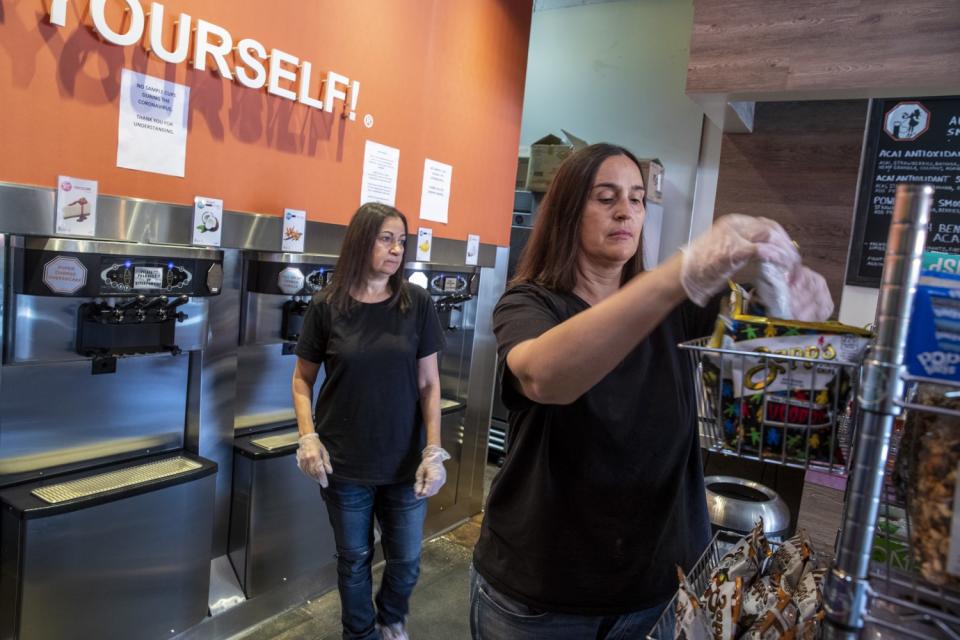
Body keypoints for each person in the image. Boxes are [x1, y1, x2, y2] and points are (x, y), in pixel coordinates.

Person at [469, 143, 832, 639]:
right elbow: (544, 376)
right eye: (606, 197)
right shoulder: (530, 302)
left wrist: (791, 317)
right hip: (543, 593)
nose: (626, 211)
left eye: (637, 199)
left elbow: (762, 387)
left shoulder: (678, 307)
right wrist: (679, 273)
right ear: (568, 211)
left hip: (658, 591)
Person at [292, 202, 450, 640]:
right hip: (344, 463)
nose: (397, 249)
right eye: (386, 238)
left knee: (405, 559)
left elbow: (429, 385)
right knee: (354, 558)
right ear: (361, 240)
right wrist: (308, 439)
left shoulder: (415, 303)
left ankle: (391, 618)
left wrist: (433, 451)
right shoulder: (327, 305)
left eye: (402, 240)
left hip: (404, 463)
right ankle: (359, 633)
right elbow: (302, 380)